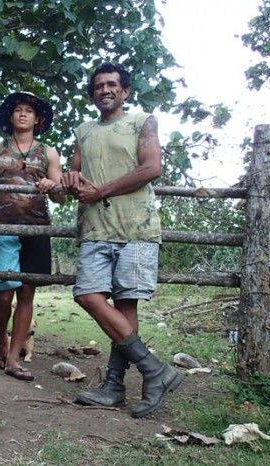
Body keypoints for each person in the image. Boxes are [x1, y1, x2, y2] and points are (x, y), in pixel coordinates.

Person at [60, 62, 183, 418]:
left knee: (125, 307)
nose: (105, 90)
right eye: (98, 86)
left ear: (125, 91)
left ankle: (115, 385)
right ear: (93, 93)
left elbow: (151, 168)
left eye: (112, 85)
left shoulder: (142, 121)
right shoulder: (83, 130)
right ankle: (154, 369)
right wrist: (71, 181)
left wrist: (101, 191)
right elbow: (78, 174)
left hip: (135, 227)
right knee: (87, 294)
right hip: (95, 228)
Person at [0, 92, 66, 381]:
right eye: (17, 110)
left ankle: (14, 357)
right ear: (10, 117)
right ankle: (1, 339)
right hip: (5, 229)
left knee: (26, 293)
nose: (22, 114)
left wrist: (51, 184)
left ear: (37, 118)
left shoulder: (48, 152)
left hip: (37, 229)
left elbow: (61, 197)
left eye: (28, 111)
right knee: (4, 295)